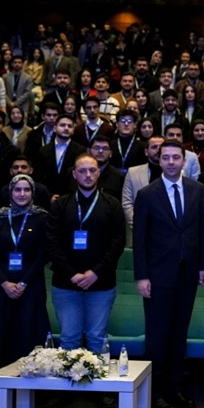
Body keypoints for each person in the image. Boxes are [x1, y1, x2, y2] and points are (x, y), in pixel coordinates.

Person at [132, 139, 204, 408]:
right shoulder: (147, 194)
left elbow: (201, 230)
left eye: (177, 157)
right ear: (159, 160)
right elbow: (139, 240)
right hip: (157, 276)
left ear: (184, 159)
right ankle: (156, 394)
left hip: (187, 274)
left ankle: (175, 388)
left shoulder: (197, 189)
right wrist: (141, 276)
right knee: (158, 338)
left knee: (179, 335)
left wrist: (203, 265)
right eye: (167, 157)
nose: (172, 162)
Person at [46, 154, 125, 368]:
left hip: (101, 282)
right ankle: (66, 389)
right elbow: (52, 243)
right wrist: (72, 273)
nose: (88, 175)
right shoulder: (61, 204)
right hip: (65, 283)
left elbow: (118, 243)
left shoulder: (112, 204)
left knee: (96, 338)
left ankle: (98, 389)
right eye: (82, 170)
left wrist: (95, 272)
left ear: (99, 172)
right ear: (74, 174)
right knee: (69, 338)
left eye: (92, 170)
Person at [0, 174, 50, 376]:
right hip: (0, 285)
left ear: (33, 192)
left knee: (27, 333)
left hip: (30, 285)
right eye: (17, 189)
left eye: (27, 190)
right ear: (10, 192)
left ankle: (31, 380)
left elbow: (43, 254)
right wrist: (5, 283)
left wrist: (23, 283)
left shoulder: (41, 218)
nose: (22, 194)